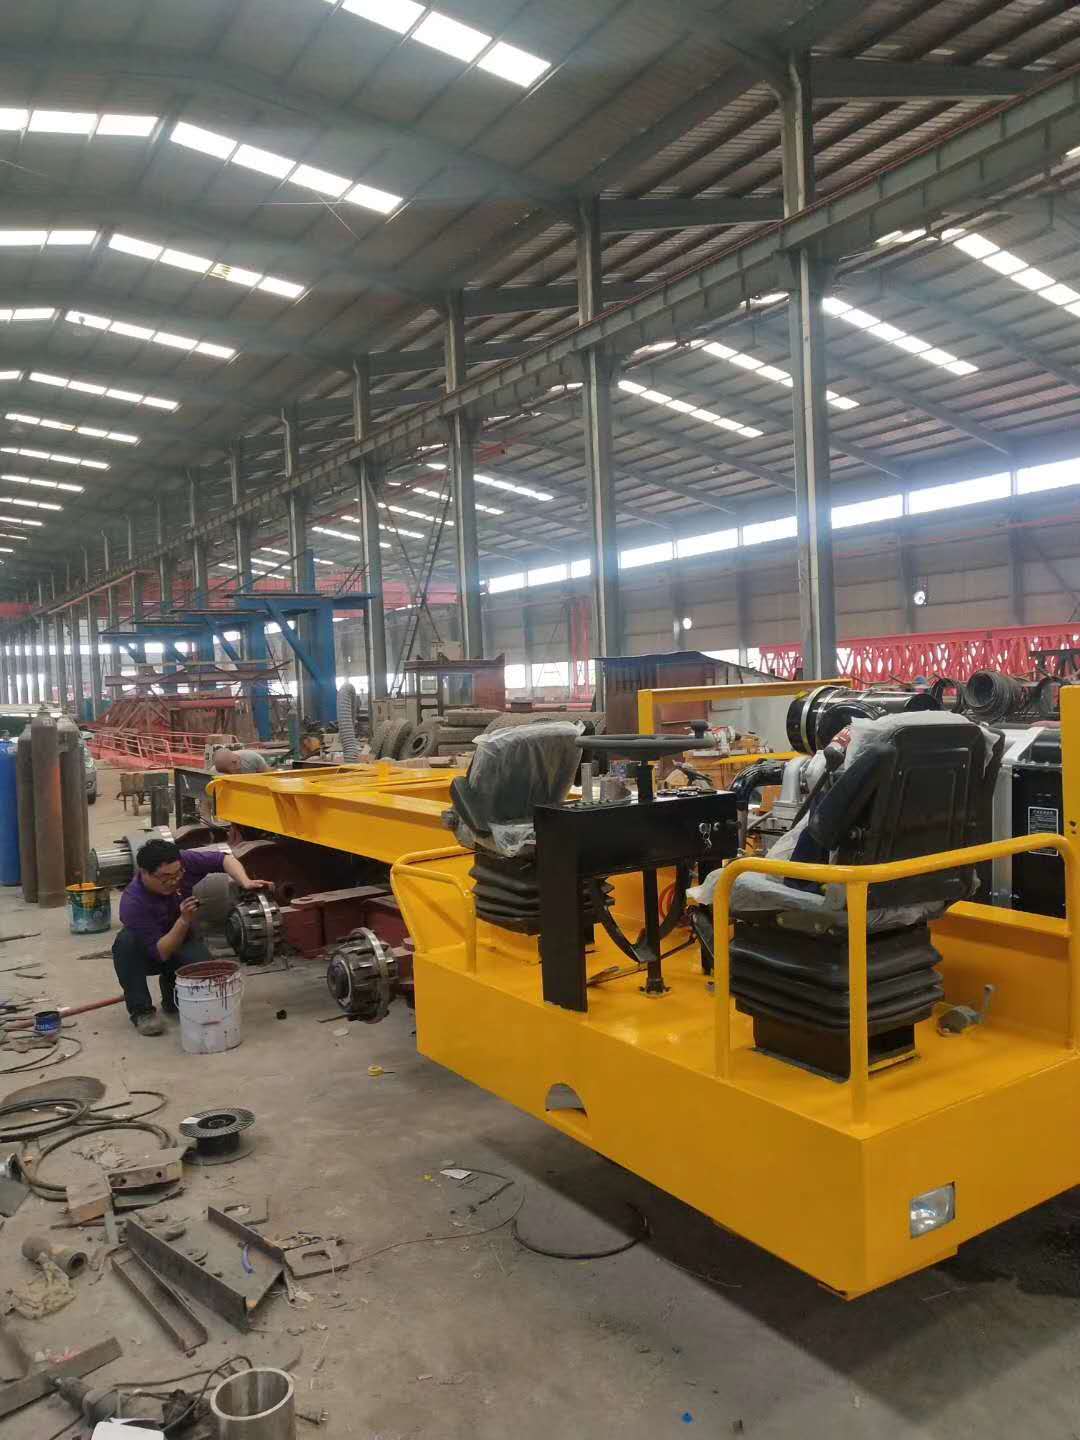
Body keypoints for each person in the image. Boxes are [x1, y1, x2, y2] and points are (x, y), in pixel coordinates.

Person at [113, 837, 271, 1037]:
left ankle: (172, 995)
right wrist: (184, 920)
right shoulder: (133, 903)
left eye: (178, 874)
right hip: (150, 952)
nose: (174, 881)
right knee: (125, 943)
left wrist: (245, 881)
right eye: (165, 877)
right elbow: (161, 952)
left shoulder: (180, 862)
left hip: (182, 940)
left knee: (206, 970)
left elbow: (224, 859)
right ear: (144, 872)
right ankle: (141, 1011)